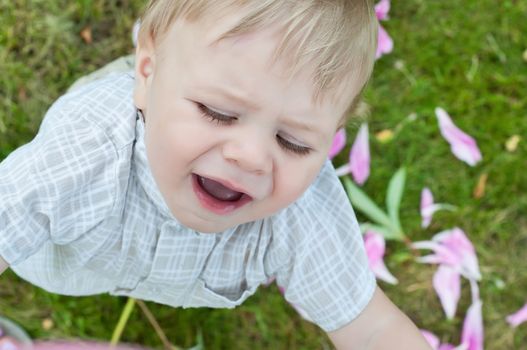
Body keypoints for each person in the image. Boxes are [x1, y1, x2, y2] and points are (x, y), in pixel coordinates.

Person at [0, 1, 431, 348]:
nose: (251, 157)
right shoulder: (79, 157)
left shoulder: (302, 211)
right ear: (147, 75)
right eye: (218, 112)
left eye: (294, 141)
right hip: (68, 254)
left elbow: (371, 328)